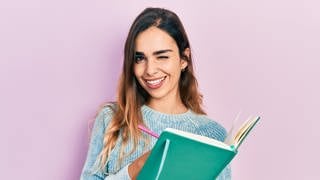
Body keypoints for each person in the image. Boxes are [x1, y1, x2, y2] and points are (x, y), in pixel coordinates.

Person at [80, 7, 231, 180]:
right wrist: (136, 167)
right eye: (140, 58)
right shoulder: (112, 119)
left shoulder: (212, 135)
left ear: (184, 59)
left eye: (162, 56)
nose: (150, 70)